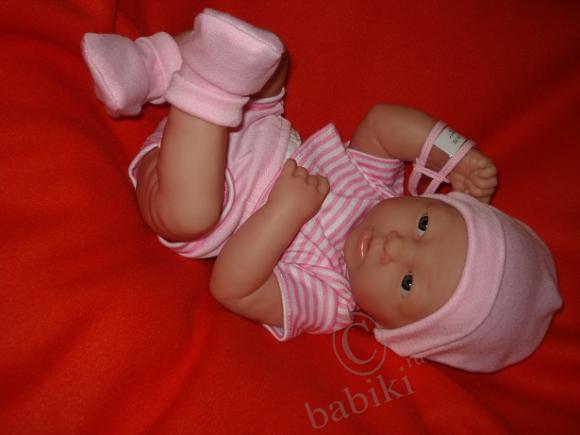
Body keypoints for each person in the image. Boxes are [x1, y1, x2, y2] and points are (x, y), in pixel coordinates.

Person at [81, 8, 562, 372]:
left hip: (192, 190)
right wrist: (454, 154)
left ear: (395, 331)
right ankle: (150, 66)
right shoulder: (377, 188)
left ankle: (201, 86)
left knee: (193, 212)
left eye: (407, 282)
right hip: (251, 122)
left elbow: (232, 287)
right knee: (270, 63)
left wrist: (284, 213)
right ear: (429, 200)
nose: (396, 247)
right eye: (423, 224)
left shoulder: (330, 299)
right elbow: (382, 122)